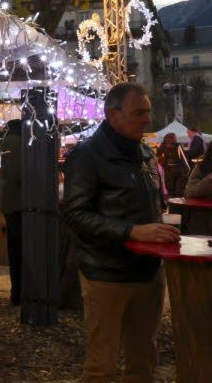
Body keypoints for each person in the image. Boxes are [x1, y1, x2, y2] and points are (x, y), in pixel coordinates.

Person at [63, 83, 178, 383]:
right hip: (106, 273)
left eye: (148, 112)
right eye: (139, 112)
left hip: (148, 272)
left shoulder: (145, 153)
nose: (147, 119)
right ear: (113, 114)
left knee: (143, 359)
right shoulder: (87, 155)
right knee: (102, 365)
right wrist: (132, 232)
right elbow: (75, 214)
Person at [0, 119, 24, 306]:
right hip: (17, 203)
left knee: (16, 248)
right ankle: (19, 293)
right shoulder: (15, 140)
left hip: (13, 202)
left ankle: (19, 292)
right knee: (18, 248)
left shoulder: (9, 140)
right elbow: (17, 173)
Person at [155, 132, 191, 198]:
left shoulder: (163, 145)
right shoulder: (177, 146)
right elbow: (183, 158)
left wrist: (163, 164)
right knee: (178, 190)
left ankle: (173, 205)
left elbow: (158, 155)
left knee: (171, 190)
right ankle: (178, 205)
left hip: (169, 170)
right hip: (177, 170)